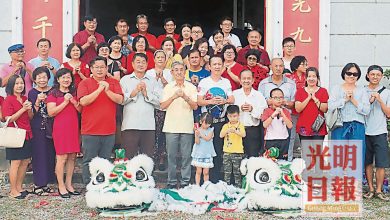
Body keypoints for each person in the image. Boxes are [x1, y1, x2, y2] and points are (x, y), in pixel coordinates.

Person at [78, 56, 124, 184]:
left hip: (109, 130)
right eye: (96, 67)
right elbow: (83, 101)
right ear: (91, 69)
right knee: (89, 160)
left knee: (105, 160)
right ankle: (88, 185)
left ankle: (103, 184)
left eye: (102, 67)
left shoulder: (113, 82)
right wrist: (99, 89)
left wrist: (107, 89)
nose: (99, 70)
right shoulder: (85, 83)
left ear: (107, 68)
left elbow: (120, 100)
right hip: (90, 130)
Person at [161, 61, 198, 189]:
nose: (179, 72)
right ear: (171, 72)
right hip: (171, 126)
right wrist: (174, 96)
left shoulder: (191, 87)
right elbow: (162, 106)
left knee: (186, 156)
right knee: (170, 156)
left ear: (185, 71)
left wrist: (185, 97)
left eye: (181, 69)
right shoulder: (168, 87)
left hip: (187, 126)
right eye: (176, 70)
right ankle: (171, 181)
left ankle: (185, 181)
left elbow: (195, 105)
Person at [198, 56, 235, 183]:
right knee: (205, 151)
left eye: (220, 64)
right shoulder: (204, 82)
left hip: (220, 122)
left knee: (218, 151)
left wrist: (224, 100)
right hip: (206, 124)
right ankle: (203, 180)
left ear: (223, 66)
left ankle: (216, 180)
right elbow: (199, 101)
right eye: (214, 64)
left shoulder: (226, 82)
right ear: (209, 66)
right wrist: (210, 101)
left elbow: (232, 99)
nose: (217, 66)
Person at [47, 68, 82, 198]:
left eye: (68, 77)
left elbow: (80, 109)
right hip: (60, 128)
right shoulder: (53, 93)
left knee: (72, 156)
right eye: (63, 77)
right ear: (58, 79)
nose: (66, 80)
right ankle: (61, 185)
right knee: (62, 158)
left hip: (73, 128)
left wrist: (73, 101)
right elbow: (51, 112)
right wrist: (65, 102)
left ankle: (69, 184)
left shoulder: (74, 92)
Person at [328, 63, 370, 167]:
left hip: (357, 126)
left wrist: (353, 100)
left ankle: (355, 182)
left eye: (355, 74)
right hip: (339, 125)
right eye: (349, 73)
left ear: (358, 76)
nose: (351, 76)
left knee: (357, 155)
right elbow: (330, 106)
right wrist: (345, 100)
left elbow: (367, 110)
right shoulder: (336, 88)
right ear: (344, 74)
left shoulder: (362, 90)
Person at [120, 53, 160, 159]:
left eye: (143, 62)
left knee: (146, 159)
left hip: (148, 125)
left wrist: (147, 94)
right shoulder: (125, 80)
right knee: (127, 158)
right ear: (132, 64)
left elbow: (160, 103)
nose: (141, 64)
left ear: (147, 64)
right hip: (130, 124)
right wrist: (134, 92)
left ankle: (146, 176)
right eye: (138, 62)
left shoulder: (153, 81)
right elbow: (121, 100)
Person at [2, 75, 33, 199]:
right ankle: (13, 191)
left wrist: (29, 109)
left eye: (21, 83)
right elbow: (7, 118)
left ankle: (19, 187)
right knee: (15, 163)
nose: (20, 86)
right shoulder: (8, 99)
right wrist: (23, 109)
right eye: (17, 84)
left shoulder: (25, 98)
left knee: (25, 162)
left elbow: (29, 117)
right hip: (15, 134)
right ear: (11, 86)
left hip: (27, 134)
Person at [363, 65, 390, 201]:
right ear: (367, 75)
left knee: (381, 163)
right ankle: (371, 189)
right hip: (365, 131)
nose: (375, 77)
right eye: (372, 74)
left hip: (380, 132)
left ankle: (379, 190)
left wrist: (379, 100)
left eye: (378, 75)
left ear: (381, 76)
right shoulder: (361, 91)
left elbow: (389, 114)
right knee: (367, 162)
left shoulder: (387, 92)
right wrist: (370, 101)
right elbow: (360, 110)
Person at [28, 67, 56, 196]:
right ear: (34, 79)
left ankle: (46, 183)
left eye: (44, 77)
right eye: (39, 77)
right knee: (39, 155)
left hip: (52, 126)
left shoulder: (53, 91)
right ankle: (38, 184)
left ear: (48, 78)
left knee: (50, 154)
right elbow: (31, 114)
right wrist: (38, 101)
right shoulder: (32, 93)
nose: (42, 80)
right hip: (38, 126)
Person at [146, 50, 173, 170]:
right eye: (158, 57)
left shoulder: (170, 72)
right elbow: (148, 89)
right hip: (153, 107)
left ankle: (162, 157)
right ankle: (152, 157)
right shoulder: (149, 73)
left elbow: (172, 88)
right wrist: (156, 79)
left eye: (163, 57)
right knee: (154, 133)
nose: (161, 59)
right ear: (154, 59)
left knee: (164, 134)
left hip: (167, 107)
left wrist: (162, 78)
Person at [233, 69, 267, 157]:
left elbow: (264, 114)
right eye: (244, 78)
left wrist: (252, 110)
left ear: (253, 80)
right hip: (236, 130)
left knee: (253, 157)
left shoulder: (259, 95)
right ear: (240, 80)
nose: (246, 81)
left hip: (253, 131)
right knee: (237, 157)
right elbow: (228, 111)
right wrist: (239, 109)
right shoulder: (234, 94)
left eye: (249, 78)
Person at [295, 67, 328, 140]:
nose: (311, 79)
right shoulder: (300, 91)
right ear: (306, 78)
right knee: (306, 151)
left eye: (314, 76)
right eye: (309, 76)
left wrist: (315, 99)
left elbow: (325, 109)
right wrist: (308, 98)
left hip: (318, 126)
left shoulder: (323, 91)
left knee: (317, 151)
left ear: (317, 78)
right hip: (304, 126)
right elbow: (298, 109)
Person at [285, 55, 307, 159]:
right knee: (291, 137)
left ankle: (305, 162)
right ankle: (289, 160)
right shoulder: (289, 78)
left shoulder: (308, 77)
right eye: (303, 64)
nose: (305, 66)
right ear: (296, 65)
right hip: (292, 111)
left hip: (305, 112)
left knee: (305, 137)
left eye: (306, 63)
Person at [261, 88, 293, 159]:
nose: (278, 99)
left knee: (283, 161)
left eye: (281, 97)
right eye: (275, 98)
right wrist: (273, 114)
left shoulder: (286, 111)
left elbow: (290, 126)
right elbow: (264, 125)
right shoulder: (267, 111)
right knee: (271, 161)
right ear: (270, 99)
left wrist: (283, 114)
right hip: (270, 140)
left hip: (283, 140)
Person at [220, 105, 246, 187]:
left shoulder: (240, 125)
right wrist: (227, 131)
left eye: (234, 116)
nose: (232, 118)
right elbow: (221, 135)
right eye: (230, 116)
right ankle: (226, 187)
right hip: (227, 152)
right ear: (227, 116)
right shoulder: (225, 126)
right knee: (227, 171)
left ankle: (238, 187)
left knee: (237, 171)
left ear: (238, 115)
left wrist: (235, 131)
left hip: (237, 152)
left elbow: (243, 134)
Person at [191, 112, 216, 186]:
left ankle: (206, 185)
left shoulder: (211, 130)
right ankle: (197, 185)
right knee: (198, 171)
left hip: (207, 153)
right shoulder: (197, 130)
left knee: (206, 172)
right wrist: (196, 135)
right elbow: (197, 142)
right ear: (201, 121)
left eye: (209, 123)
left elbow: (208, 138)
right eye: (206, 123)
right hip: (199, 153)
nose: (207, 125)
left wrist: (200, 134)